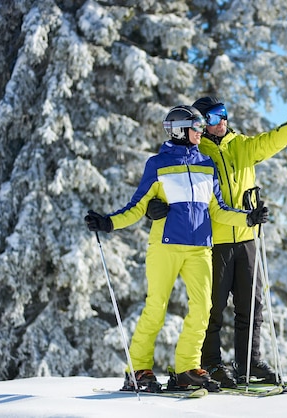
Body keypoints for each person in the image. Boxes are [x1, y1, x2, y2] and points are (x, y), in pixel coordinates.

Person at [85, 105, 269, 393]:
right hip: (166, 246)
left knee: (203, 308)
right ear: (181, 130)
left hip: (199, 248)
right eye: (196, 127)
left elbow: (218, 210)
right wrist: (109, 222)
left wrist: (247, 218)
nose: (201, 131)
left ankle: (187, 368)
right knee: (156, 307)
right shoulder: (158, 164)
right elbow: (137, 207)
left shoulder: (206, 164)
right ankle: (138, 369)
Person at [147, 97, 287, 388]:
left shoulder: (241, 145)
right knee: (212, 308)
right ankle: (211, 364)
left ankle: (248, 363)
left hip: (246, 237)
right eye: (215, 116)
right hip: (213, 241)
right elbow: (167, 184)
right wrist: (151, 207)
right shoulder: (195, 152)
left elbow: (271, 141)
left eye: (224, 114)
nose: (223, 120)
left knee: (251, 305)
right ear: (201, 123)